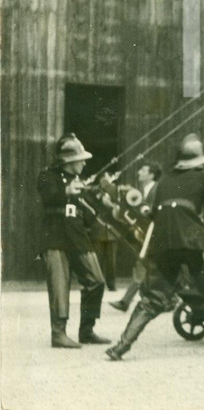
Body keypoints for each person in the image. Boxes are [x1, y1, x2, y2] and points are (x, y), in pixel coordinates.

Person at [106, 134, 204, 360]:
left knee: (153, 298)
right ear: (200, 161)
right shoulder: (202, 177)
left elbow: (153, 213)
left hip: (163, 243)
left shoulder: (165, 180)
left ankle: (121, 346)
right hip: (192, 243)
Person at [37, 133, 111, 348]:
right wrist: (67, 191)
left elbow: (87, 213)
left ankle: (86, 330)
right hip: (55, 237)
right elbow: (49, 196)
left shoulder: (79, 182)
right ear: (69, 161)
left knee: (96, 280)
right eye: (81, 159)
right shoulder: (47, 176)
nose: (85, 162)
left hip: (78, 237)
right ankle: (58, 334)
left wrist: (100, 201)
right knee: (60, 284)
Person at [109, 161, 162, 312]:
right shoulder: (142, 191)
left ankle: (126, 301)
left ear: (151, 175)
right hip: (146, 235)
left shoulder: (156, 190)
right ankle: (126, 301)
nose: (139, 172)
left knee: (143, 265)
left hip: (154, 235)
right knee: (145, 266)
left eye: (143, 170)